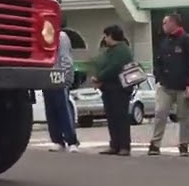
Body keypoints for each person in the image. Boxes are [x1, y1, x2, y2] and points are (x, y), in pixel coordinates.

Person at [149, 13, 189, 156]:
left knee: (184, 117)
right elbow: (158, 61)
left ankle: (184, 144)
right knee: (160, 113)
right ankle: (155, 143)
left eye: (165, 23)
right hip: (165, 85)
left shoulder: (188, 40)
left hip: (183, 86)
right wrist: (158, 76)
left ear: (173, 23)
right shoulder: (164, 42)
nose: (163, 26)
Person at [88, 24, 135, 156]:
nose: (105, 38)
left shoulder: (122, 50)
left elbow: (115, 67)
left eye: (106, 35)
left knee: (121, 117)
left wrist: (99, 77)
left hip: (119, 89)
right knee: (112, 117)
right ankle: (114, 144)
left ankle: (124, 145)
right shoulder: (110, 50)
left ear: (111, 36)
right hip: (108, 88)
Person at [42, 20, 80, 152]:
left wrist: (66, 76)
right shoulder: (45, 35)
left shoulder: (61, 36)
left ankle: (71, 140)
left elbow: (65, 58)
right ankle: (57, 139)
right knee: (51, 109)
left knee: (62, 108)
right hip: (47, 74)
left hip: (59, 75)